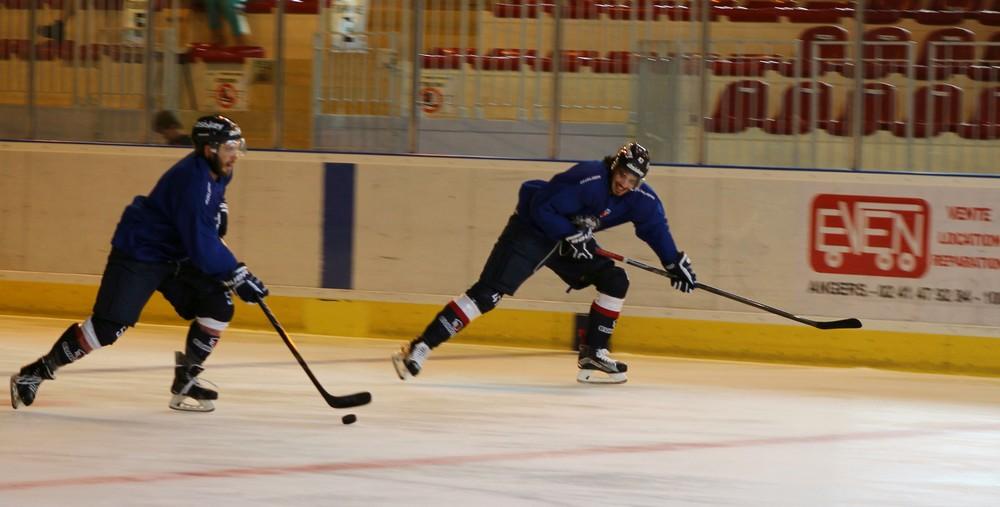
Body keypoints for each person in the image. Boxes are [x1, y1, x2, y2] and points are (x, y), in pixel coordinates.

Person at [9, 115, 268, 413]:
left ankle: (186, 377)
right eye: (229, 147)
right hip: (141, 252)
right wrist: (237, 274)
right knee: (107, 329)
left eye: (237, 147)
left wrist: (220, 207)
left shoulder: (219, 170)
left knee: (218, 305)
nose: (235, 154)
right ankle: (35, 373)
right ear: (209, 149)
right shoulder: (192, 183)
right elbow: (203, 244)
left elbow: (207, 222)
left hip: (176, 256)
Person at [392, 142, 696, 384]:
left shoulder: (640, 198)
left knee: (615, 281)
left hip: (569, 243)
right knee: (488, 295)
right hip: (532, 232)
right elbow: (540, 208)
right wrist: (570, 233)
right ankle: (420, 347)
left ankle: (594, 353)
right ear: (614, 166)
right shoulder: (589, 178)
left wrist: (673, 262)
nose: (625, 185)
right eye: (622, 176)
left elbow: (654, 227)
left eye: (633, 180)